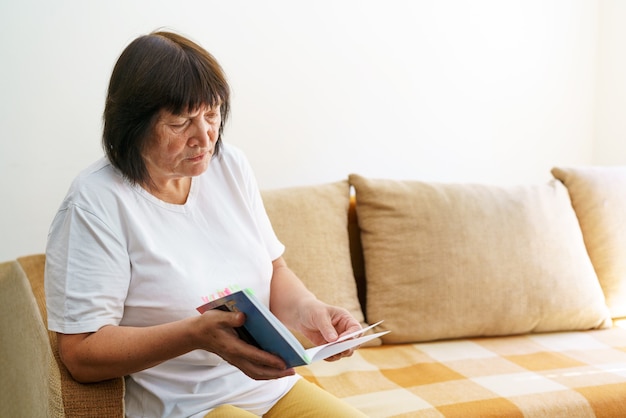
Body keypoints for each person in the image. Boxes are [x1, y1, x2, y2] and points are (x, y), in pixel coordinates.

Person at [44, 30, 367, 418]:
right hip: (182, 407)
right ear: (132, 123)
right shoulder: (95, 202)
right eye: (181, 122)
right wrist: (195, 335)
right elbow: (80, 352)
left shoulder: (229, 166)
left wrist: (310, 311)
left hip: (267, 389)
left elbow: (274, 268)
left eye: (211, 114)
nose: (205, 137)